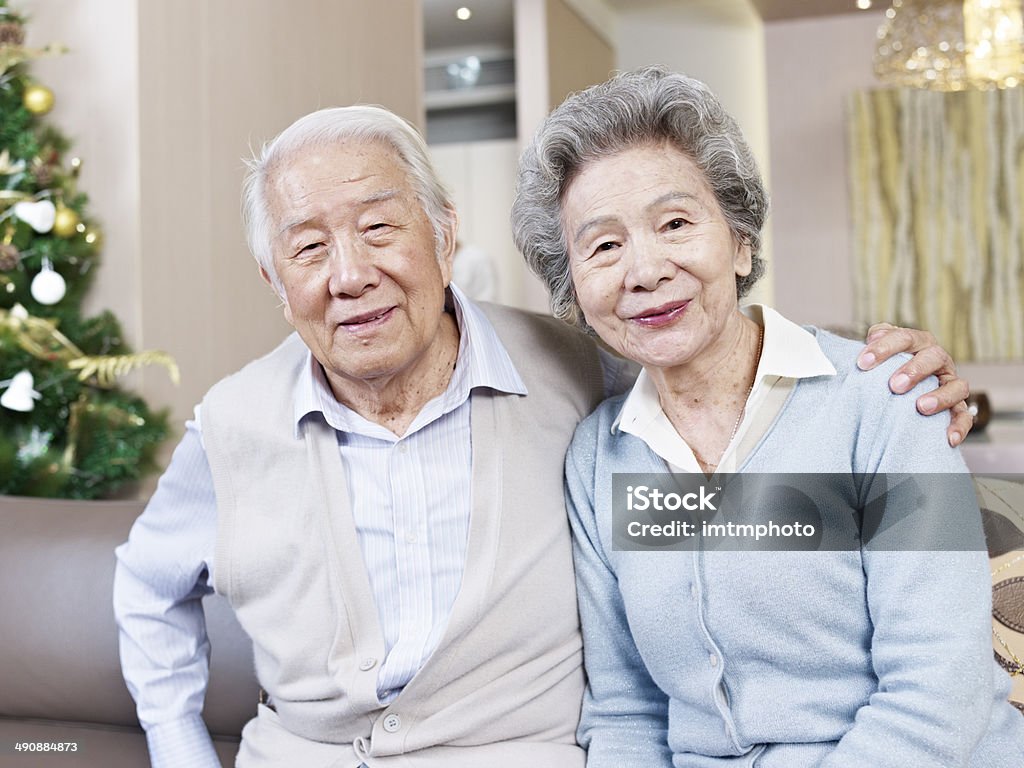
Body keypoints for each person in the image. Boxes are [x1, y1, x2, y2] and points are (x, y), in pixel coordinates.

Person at [114, 104, 971, 768]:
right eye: (308, 247)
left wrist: (895, 374)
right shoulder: (608, 444)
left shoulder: (571, 372)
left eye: (379, 228)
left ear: (445, 234)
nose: (350, 275)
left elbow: (723, 356)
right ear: (275, 278)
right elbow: (632, 705)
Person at [510, 66, 1024, 767]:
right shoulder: (600, 457)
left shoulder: (879, 401)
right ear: (574, 290)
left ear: (741, 240)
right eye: (603, 245)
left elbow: (938, 689)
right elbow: (626, 709)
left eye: (676, 223)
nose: (645, 269)